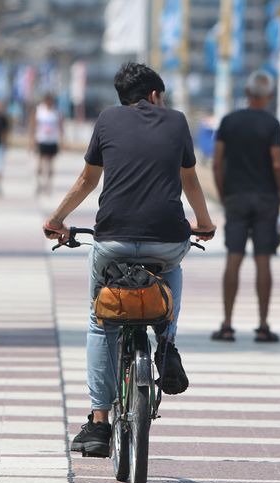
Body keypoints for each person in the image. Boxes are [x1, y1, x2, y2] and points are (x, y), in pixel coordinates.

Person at [43, 62, 215, 457]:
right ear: (155, 95)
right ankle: (166, 344)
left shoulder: (106, 121)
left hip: (114, 241)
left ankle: (99, 423)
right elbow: (191, 182)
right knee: (170, 279)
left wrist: (57, 220)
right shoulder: (176, 122)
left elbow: (88, 180)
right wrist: (203, 223)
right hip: (167, 242)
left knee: (100, 321)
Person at [210, 70, 280, 344]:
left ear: (247, 93)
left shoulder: (228, 122)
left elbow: (216, 162)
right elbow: (278, 164)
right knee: (263, 260)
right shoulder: (272, 125)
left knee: (233, 258)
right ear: (269, 96)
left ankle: (226, 324)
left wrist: (224, 194)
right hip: (266, 199)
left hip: (236, 196)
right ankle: (262, 324)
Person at [29, 93, 63, 195]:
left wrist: (62, 140)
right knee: (40, 163)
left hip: (52, 140)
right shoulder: (39, 110)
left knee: (51, 164)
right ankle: (39, 183)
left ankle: (48, 184)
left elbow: (61, 126)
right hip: (41, 139)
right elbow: (33, 125)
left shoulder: (56, 111)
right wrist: (31, 140)